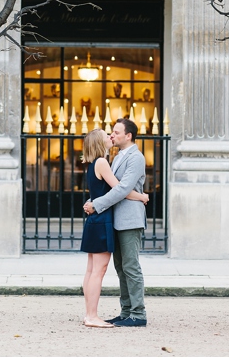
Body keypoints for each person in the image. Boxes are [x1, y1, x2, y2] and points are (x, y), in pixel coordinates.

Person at [80, 128, 149, 328]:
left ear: (128, 135)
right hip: (103, 220)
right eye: (107, 135)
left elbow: (115, 189)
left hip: (104, 219)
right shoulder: (104, 162)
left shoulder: (102, 162)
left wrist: (94, 202)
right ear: (100, 143)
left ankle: (96, 314)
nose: (111, 136)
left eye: (114, 132)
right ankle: (94, 315)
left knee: (95, 270)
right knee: (99, 271)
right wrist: (142, 196)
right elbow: (121, 189)